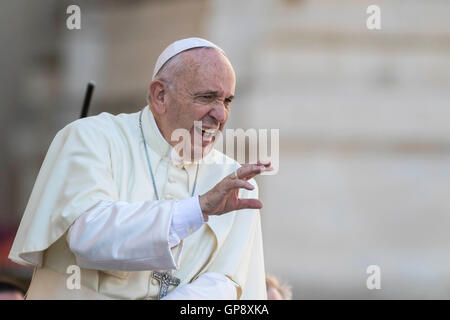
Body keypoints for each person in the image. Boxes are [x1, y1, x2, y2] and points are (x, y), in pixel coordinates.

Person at [8, 38, 272, 300]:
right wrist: (198, 209)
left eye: (227, 101)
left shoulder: (233, 179)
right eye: (207, 97)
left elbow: (228, 280)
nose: (221, 115)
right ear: (160, 96)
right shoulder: (91, 138)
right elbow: (88, 236)